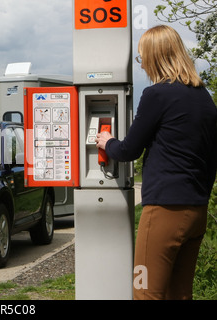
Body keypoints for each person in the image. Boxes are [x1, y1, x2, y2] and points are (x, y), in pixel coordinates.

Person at [95, 25, 217, 300]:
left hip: (164, 210)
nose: (143, 65)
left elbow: (128, 150)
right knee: (180, 294)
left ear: (155, 56)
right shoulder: (204, 98)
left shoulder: (157, 94)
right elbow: (212, 160)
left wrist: (107, 142)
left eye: (142, 58)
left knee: (145, 291)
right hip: (196, 212)